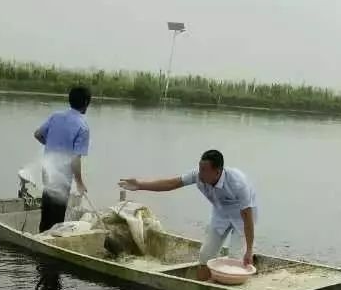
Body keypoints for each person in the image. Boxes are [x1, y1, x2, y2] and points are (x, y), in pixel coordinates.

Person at [119, 150, 257, 280]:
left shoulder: (238, 184)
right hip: (220, 213)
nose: (200, 174)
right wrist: (140, 185)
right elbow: (171, 183)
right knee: (205, 256)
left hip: (242, 216)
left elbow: (248, 220)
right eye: (200, 168)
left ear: (217, 172)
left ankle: (233, 287)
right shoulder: (197, 175)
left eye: (204, 170)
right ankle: (204, 287)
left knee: (237, 259)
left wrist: (249, 249)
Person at [33, 86, 92, 232]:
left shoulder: (56, 116)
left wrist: (52, 145)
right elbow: (75, 159)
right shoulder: (83, 127)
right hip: (63, 176)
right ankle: (51, 242)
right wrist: (79, 183)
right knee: (57, 216)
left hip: (48, 170)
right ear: (86, 103)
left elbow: (38, 134)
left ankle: (42, 237)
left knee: (46, 210)